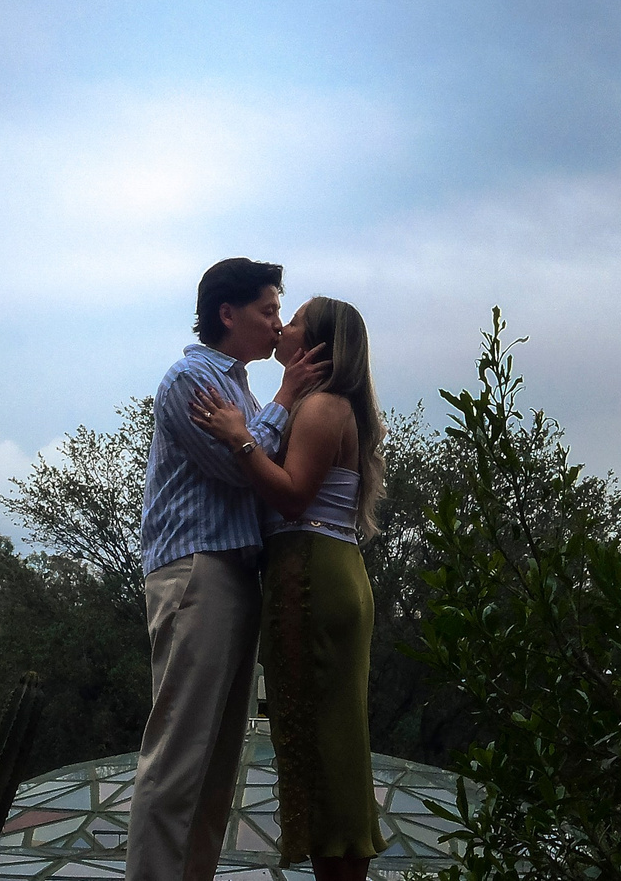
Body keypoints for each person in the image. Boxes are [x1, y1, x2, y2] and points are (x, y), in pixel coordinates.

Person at [127, 258, 328, 881]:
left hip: (235, 574)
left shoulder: (240, 392)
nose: (276, 325)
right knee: (179, 752)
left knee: (217, 763)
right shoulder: (191, 379)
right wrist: (286, 397)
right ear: (227, 314)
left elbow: (259, 462)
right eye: (268, 311)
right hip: (197, 571)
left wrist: (260, 418)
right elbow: (237, 466)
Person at [190, 296, 384, 881]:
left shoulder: (322, 407)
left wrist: (239, 439)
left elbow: (295, 495)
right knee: (326, 732)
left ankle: (340, 860)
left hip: (312, 572)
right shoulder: (319, 404)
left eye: (294, 321)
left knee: (325, 738)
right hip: (318, 569)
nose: (282, 327)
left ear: (317, 346)